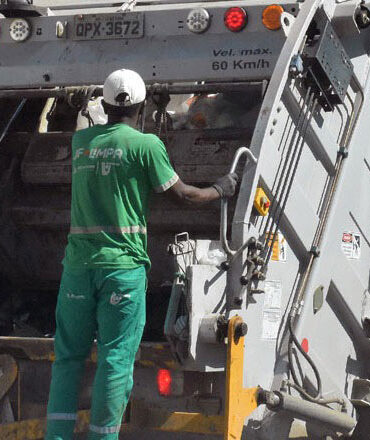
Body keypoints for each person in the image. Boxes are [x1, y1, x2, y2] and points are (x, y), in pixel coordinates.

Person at [45, 69, 238, 440]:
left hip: (78, 268)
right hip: (122, 270)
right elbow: (184, 196)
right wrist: (221, 188)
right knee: (115, 360)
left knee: (68, 358)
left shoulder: (80, 142)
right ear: (143, 104)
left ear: (102, 104)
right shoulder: (146, 145)